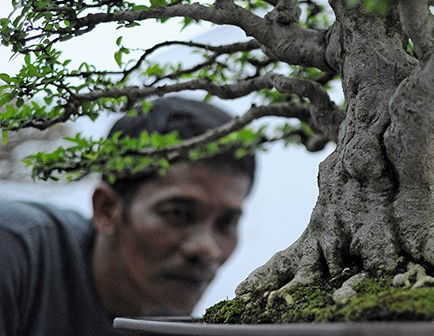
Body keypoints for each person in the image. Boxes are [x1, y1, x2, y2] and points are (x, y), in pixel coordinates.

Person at [0, 96, 257, 335]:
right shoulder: (14, 249)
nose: (207, 249)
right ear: (107, 209)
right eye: (178, 213)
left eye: (227, 222)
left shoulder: (169, 323)